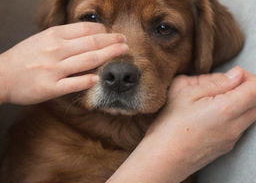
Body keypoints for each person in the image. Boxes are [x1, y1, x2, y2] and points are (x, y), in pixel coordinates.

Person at [0, 22, 255, 183]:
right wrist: (168, 159)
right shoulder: (39, 142)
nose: (120, 70)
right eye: (92, 19)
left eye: (164, 29)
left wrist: (7, 75)